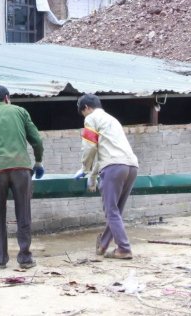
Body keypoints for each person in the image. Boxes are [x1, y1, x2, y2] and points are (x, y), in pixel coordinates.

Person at [0, 85, 45, 269]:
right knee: (23, 213)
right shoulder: (20, 111)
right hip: (21, 169)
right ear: (7, 98)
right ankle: (25, 258)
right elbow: (36, 139)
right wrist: (39, 161)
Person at [74, 94, 140, 260]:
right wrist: (94, 173)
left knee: (111, 211)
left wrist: (85, 168)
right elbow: (106, 151)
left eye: (83, 112)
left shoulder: (91, 119)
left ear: (86, 108)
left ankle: (124, 248)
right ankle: (103, 245)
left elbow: (90, 147)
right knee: (116, 210)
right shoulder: (112, 120)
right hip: (131, 165)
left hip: (114, 167)